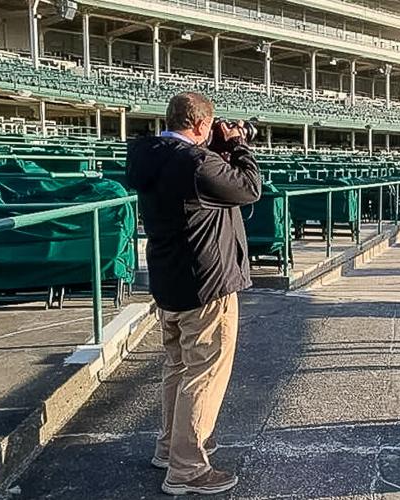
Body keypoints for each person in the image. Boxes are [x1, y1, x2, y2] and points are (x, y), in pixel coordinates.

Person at [127, 92, 261, 495]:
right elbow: (249, 188)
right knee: (204, 372)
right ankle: (187, 467)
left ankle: (170, 447)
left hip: (170, 281)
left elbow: (199, 180)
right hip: (206, 285)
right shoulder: (198, 163)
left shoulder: (151, 155)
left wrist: (216, 149)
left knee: (178, 367)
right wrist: (239, 145)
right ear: (201, 124)